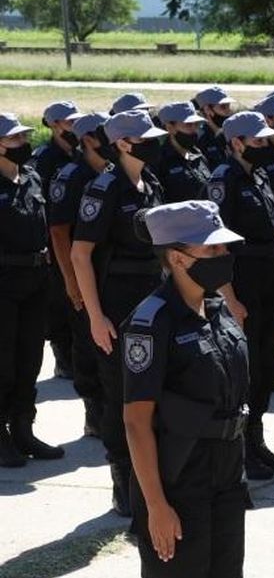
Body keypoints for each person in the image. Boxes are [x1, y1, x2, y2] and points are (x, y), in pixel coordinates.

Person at [123, 200, 267, 578]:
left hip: (224, 482)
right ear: (177, 257)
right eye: (211, 249)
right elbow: (136, 423)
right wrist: (155, 505)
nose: (223, 255)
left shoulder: (217, 309)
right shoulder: (152, 320)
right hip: (177, 486)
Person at [71, 109, 169, 517]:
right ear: (124, 144)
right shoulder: (105, 187)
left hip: (153, 299)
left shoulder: (152, 183)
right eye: (145, 138)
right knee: (121, 394)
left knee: (155, 391)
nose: (154, 143)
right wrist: (95, 316)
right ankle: (123, 481)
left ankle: (152, 478)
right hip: (116, 304)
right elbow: (80, 253)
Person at [209, 112, 274, 480]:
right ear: (237, 143)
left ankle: (256, 442)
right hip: (241, 287)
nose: (266, 146)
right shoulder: (224, 181)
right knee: (244, 374)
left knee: (263, 370)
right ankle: (241, 451)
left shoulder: (257, 176)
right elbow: (217, 246)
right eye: (258, 141)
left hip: (267, 285)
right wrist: (229, 297)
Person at [0, 114, 64, 466]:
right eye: (13, 140)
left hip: (36, 283)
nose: (22, 144)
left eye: (23, 138)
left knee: (30, 361)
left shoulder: (32, 177)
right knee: (3, 364)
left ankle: (23, 429)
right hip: (4, 285)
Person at [48, 111, 111, 442]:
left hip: (111, 273)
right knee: (88, 347)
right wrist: (72, 283)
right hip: (81, 272)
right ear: (88, 140)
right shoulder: (73, 175)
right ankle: (94, 413)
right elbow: (60, 233)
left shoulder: (114, 173)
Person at [35, 101, 82, 380]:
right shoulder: (45, 159)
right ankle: (63, 357)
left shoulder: (79, 155)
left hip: (77, 236)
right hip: (55, 241)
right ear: (53, 126)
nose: (73, 127)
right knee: (61, 301)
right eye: (68, 123)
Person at [156, 102, 213, 203]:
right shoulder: (160, 160)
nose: (194, 129)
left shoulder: (198, 154)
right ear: (170, 127)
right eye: (188, 125)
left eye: (196, 124)